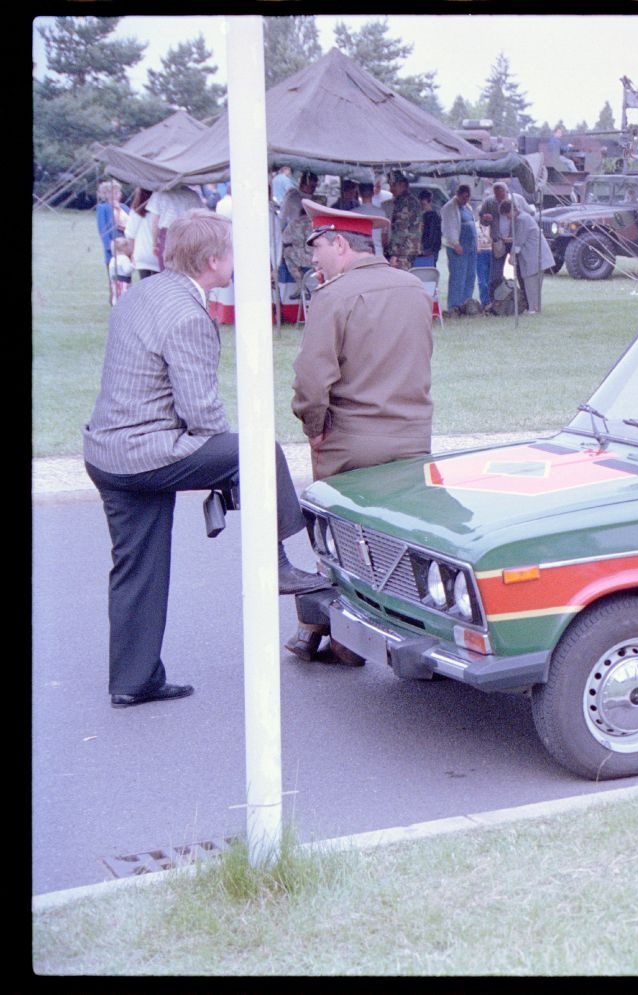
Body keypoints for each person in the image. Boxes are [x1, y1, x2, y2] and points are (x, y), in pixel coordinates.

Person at [83, 210, 328, 708]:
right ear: (214, 261)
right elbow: (202, 415)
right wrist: (228, 468)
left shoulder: (146, 292)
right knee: (257, 450)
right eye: (233, 253)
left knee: (136, 569)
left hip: (108, 455)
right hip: (145, 454)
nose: (237, 261)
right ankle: (278, 561)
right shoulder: (189, 316)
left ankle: (133, 680)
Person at [286, 203, 434, 660]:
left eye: (318, 249)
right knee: (396, 542)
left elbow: (312, 384)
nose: (313, 260)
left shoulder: (333, 297)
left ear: (342, 244)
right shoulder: (415, 288)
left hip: (349, 439)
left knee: (334, 539)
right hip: (412, 436)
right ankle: (385, 632)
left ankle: (327, 633)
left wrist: (314, 429)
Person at [495, 199, 555, 314]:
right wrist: (509, 240)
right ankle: (534, 308)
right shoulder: (521, 218)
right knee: (531, 283)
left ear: (512, 210)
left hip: (534, 256)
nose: (507, 218)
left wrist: (512, 255)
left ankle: (534, 309)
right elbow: (521, 236)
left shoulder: (522, 219)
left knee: (531, 283)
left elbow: (519, 241)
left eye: (507, 214)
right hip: (534, 255)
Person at [440, 184, 478, 311]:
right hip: (458, 246)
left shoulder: (467, 207)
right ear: (458, 194)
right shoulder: (450, 207)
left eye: (468, 197)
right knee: (458, 276)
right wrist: (455, 243)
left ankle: (466, 303)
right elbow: (449, 227)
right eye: (464, 197)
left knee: (470, 275)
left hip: (470, 247)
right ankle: (454, 305)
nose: (466, 200)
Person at [384, 172, 423, 270]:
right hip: (410, 248)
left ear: (402, 185)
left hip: (403, 251)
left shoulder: (404, 203)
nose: (391, 189)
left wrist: (394, 254)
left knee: (400, 281)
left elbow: (401, 230)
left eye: (393, 185)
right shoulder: (411, 200)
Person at [123, 188, 160, 280]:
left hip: (142, 255)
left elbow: (130, 235)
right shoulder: (160, 210)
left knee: (145, 287)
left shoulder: (136, 212)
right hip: (158, 254)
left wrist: (131, 254)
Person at [351, 182, 386, 260]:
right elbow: (384, 237)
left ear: (359, 193)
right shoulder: (382, 213)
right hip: (378, 253)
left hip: (358, 253)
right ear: (373, 193)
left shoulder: (352, 213)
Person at [95, 180, 124, 268]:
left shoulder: (124, 207)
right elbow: (103, 230)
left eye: (118, 192)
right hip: (112, 249)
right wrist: (109, 247)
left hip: (125, 247)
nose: (116, 194)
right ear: (105, 194)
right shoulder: (102, 208)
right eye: (112, 193)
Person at [415, 190, 442, 268]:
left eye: (423, 204)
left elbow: (432, 235)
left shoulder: (433, 217)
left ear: (429, 202)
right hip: (428, 250)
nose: (421, 206)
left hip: (429, 251)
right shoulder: (424, 216)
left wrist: (427, 250)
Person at [108, 236, 134, 305]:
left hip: (115, 282)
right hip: (124, 283)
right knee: (125, 298)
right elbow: (127, 270)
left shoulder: (112, 260)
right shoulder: (124, 258)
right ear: (124, 248)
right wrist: (133, 264)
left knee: (116, 297)